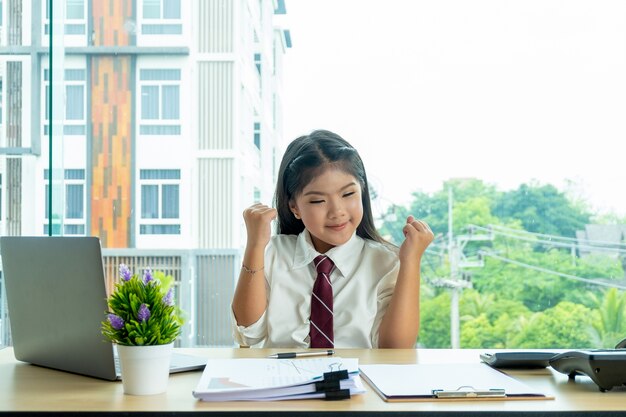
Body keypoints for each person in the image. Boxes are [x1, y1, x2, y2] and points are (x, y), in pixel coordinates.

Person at [231, 129, 434, 348]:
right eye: (318, 201)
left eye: (348, 194)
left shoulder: (385, 262)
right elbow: (249, 333)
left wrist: (411, 262)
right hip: (283, 378)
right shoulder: (273, 253)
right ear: (294, 207)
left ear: (362, 191)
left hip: (356, 379)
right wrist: (255, 244)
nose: (337, 211)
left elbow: (395, 350)